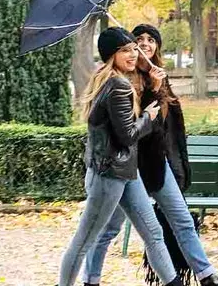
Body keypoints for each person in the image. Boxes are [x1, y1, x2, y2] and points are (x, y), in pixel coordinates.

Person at [80, 24, 218, 286]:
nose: (145, 44)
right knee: (108, 229)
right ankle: (90, 279)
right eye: (139, 40)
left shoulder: (158, 76)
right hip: (128, 166)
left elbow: (166, 127)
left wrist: (158, 87)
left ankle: (206, 275)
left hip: (156, 164)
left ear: (156, 46)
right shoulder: (122, 78)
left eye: (151, 40)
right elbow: (132, 127)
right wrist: (152, 91)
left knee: (181, 219)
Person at [57, 27, 183, 286]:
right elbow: (127, 135)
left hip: (126, 171)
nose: (133, 54)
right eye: (125, 50)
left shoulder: (109, 81)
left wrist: (153, 90)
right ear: (111, 55)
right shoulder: (117, 86)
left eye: (133, 49)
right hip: (110, 175)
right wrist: (148, 116)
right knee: (84, 240)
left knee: (153, 232)